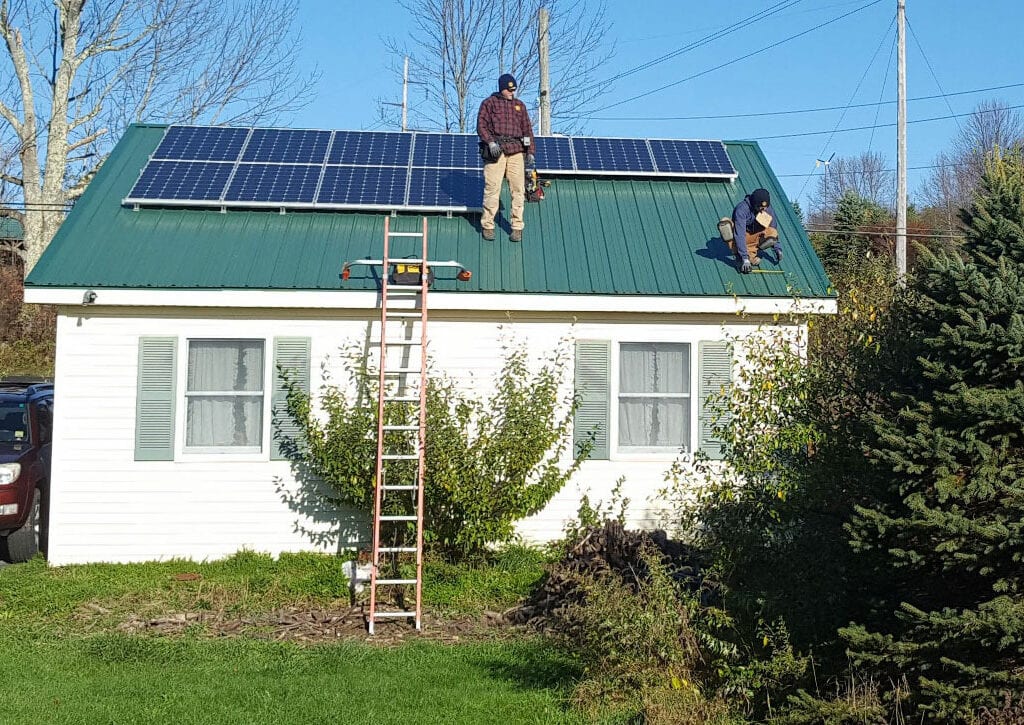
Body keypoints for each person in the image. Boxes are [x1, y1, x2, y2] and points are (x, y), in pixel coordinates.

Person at [476, 73, 536, 243]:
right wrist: (490, 142)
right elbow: (481, 125)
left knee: (518, 189)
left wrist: (530, 151)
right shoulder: (489, 103)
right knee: (492, 188)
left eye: (513, 90)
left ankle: (517, 227)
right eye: (509, 89)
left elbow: (527, 129)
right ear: (501, 88)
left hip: (516, 151)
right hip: (497, 151)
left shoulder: (519, 106)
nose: (512, 92)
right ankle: (487, 224)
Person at [729, 188, 783, 273]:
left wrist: (777, 249)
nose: (763, 210)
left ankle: (750, 255)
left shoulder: (767, 209)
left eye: (765, 207)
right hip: (741, 237)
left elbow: (773, 227)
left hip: (755, 238)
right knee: (726, 227)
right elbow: (740, 234)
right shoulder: (741, 209)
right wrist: (745, 258)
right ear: (754, 204)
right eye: (760, 207)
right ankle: (742, 257)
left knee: (772, 232)